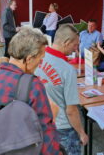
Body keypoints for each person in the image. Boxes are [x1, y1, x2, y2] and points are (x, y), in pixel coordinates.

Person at [0, 27, 60, 155]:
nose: (40, 64)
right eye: (40, 59)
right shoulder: (33, 86)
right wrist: (53, 117)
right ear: (29, 59)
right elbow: (47, 137)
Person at [35, 24, 88, 155]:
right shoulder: (68, 70)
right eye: (75, 45)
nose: (76, 49)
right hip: (63, 128)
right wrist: (82, 133)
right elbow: (71, 110)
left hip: (41, 122)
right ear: (66, 43)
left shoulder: (37, 57)